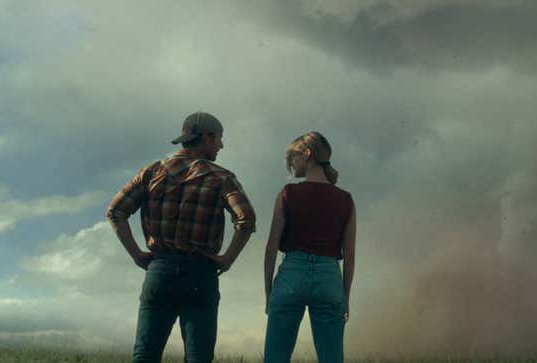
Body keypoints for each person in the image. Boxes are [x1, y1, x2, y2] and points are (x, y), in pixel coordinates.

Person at [106, 111, 256, 363]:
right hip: (201, 273)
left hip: (160, 270)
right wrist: (227, 259)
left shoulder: (151, 172)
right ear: (206, 138)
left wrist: (137, 255)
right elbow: (246, 219)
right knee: (199, 357)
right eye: (219, 138)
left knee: (145, 354)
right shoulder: (222, 177)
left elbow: (116, 211)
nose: (221, 144)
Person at [263, 131, 357, 363]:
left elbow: (271, 248)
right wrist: (345, 296)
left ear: (307, 154)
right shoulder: (346, 199)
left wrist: (269, 292)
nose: (290, 163)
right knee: (331, 358)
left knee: (276, 358)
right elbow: (350, 255)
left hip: (291, 276)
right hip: (329, 278)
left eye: (292, 157)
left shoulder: (288, 193)